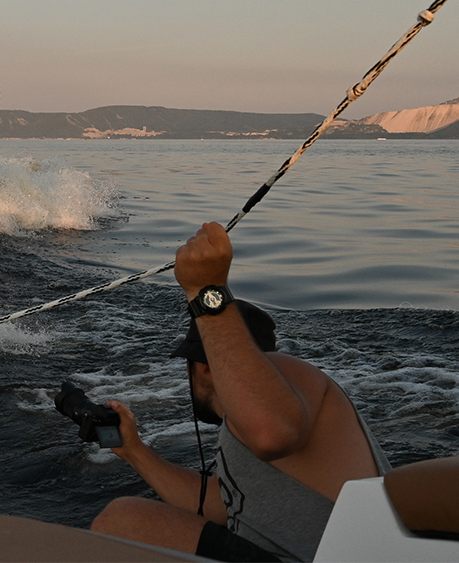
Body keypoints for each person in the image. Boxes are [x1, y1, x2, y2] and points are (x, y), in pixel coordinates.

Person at [90, 222, 390, 562]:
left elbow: (271, 433)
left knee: (125, 521)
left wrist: (207, 290)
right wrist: (133, 450)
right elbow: (220, 506)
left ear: (203, 366)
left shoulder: (284, 371)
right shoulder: (246, 423)